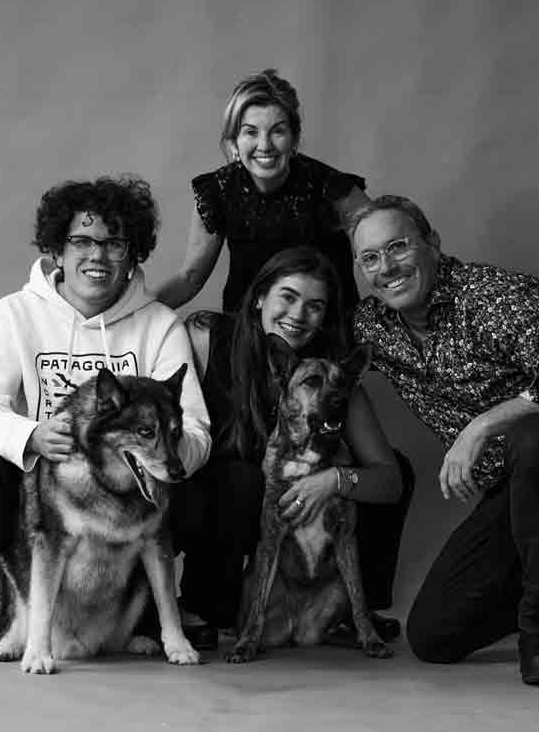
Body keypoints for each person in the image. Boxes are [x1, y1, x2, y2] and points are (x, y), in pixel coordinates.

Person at [349, 195, 539, 687]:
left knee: (536, 434)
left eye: (399, 247)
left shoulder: (490, 296)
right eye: (370, 258)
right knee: (434, 634)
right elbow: (307, 346)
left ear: (432, 244)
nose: (388, 267)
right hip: (518, 488)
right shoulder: (374, 326)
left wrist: (483, 424)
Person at [0, 175, 211, 653]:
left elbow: (196, 429)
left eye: (114, 243)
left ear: (133, 254)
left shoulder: (160, 325)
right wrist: (31, 435)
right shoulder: (15, 314)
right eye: (82, 241)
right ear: (57, 249)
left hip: (133, 489)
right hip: (51, 485)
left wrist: (160, 460)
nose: (98, 255)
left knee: (201, 488)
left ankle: (143, 612)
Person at [171, 247, 415, 650]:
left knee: (396, 468)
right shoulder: (206, 338)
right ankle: (202, 605)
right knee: (240, 479)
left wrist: (334, 480)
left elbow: (390, 479)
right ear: (260, 297)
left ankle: (351, 609)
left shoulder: (334, 380)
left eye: (315, 306)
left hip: (295, 517)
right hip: (216, 503)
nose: (299, 315)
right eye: (288, 296)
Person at [152, 69, 369, 315]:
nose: (264, 146)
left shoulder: (333, 188)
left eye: (277, 131)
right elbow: (190, 278)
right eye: (251, 132)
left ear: (294, 138)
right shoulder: (217, 192)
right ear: (234, 140)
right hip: (248, 333)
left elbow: (384, 253)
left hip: (326, 332)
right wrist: (132, 315)